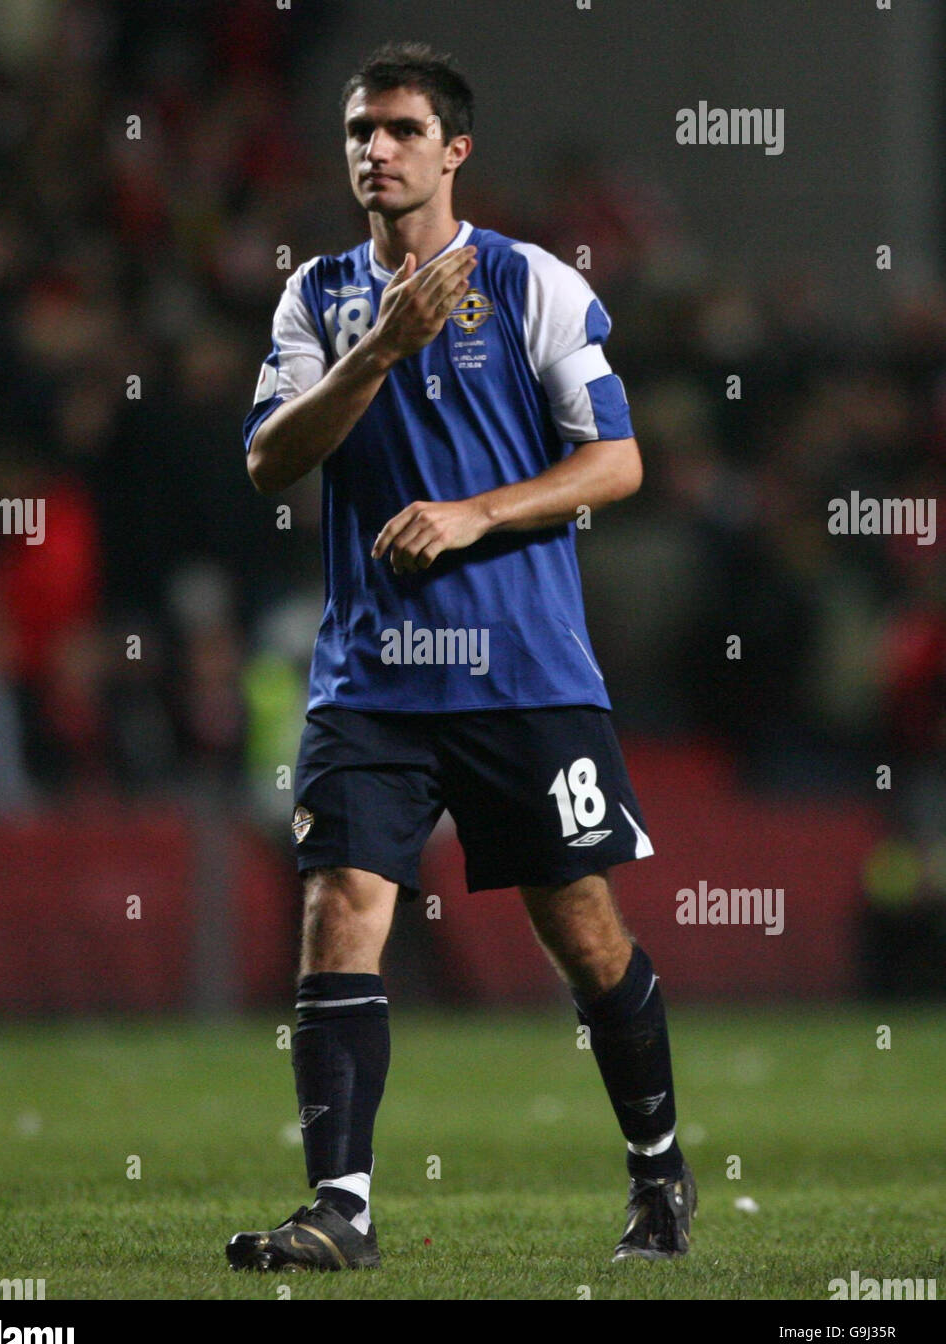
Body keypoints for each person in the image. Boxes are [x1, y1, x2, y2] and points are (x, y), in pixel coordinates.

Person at [227, 41, 695, 1274]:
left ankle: (658, 1170)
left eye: (396, 130)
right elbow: (272, 459)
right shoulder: (316, 299)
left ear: (454, 149)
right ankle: (341, 1208)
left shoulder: (533, 283)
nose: (371, 151)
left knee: (584, 931)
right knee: (340, 906)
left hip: (524, 675)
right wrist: (378, 349)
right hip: (371, 679)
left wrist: (481, 511)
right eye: (355, 133)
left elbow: (620, 460)